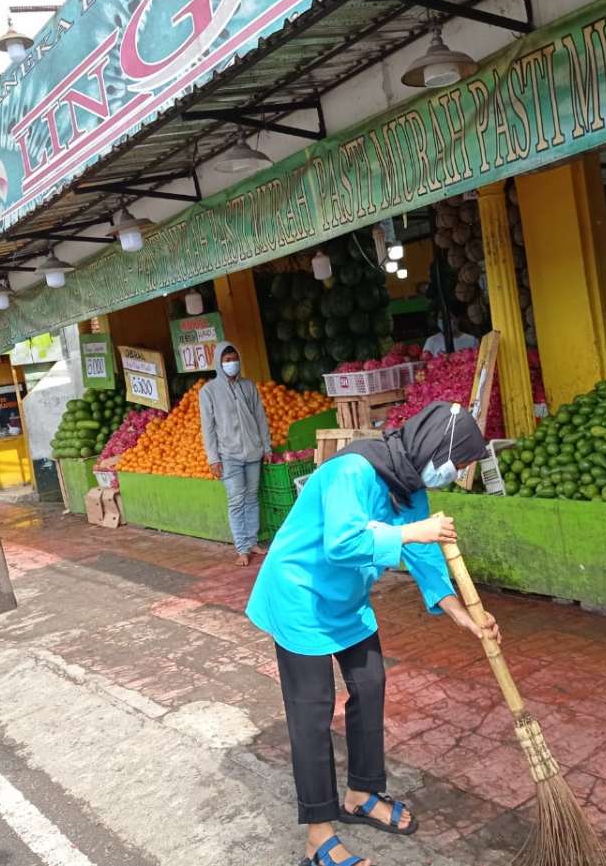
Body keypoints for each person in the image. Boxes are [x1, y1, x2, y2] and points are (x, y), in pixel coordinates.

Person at [245, 402, 499, 866]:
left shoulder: (409, 484)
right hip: (300, 596)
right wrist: (411, 533)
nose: (455, 474)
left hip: (346, 600)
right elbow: (343, 545)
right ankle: (318, 838)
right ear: (435, 448)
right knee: (312, 713)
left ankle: (361, 793)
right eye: (457, 463)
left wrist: (465, 615)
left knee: (370, 684)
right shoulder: (353, 471)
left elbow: (424, 556)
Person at [199, 341, 271, 566]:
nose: (232, 364)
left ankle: (252, 541)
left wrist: (266, 447)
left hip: (253, 451)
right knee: (236, 500)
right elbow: (208, 427)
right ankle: (241, 548)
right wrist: (213, 458)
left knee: (251, 497)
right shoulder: (208, 391)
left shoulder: (248, 386)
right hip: (228, 455)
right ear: (219, 364)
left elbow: (260, 417)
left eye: (234, 359)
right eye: (227, 360)